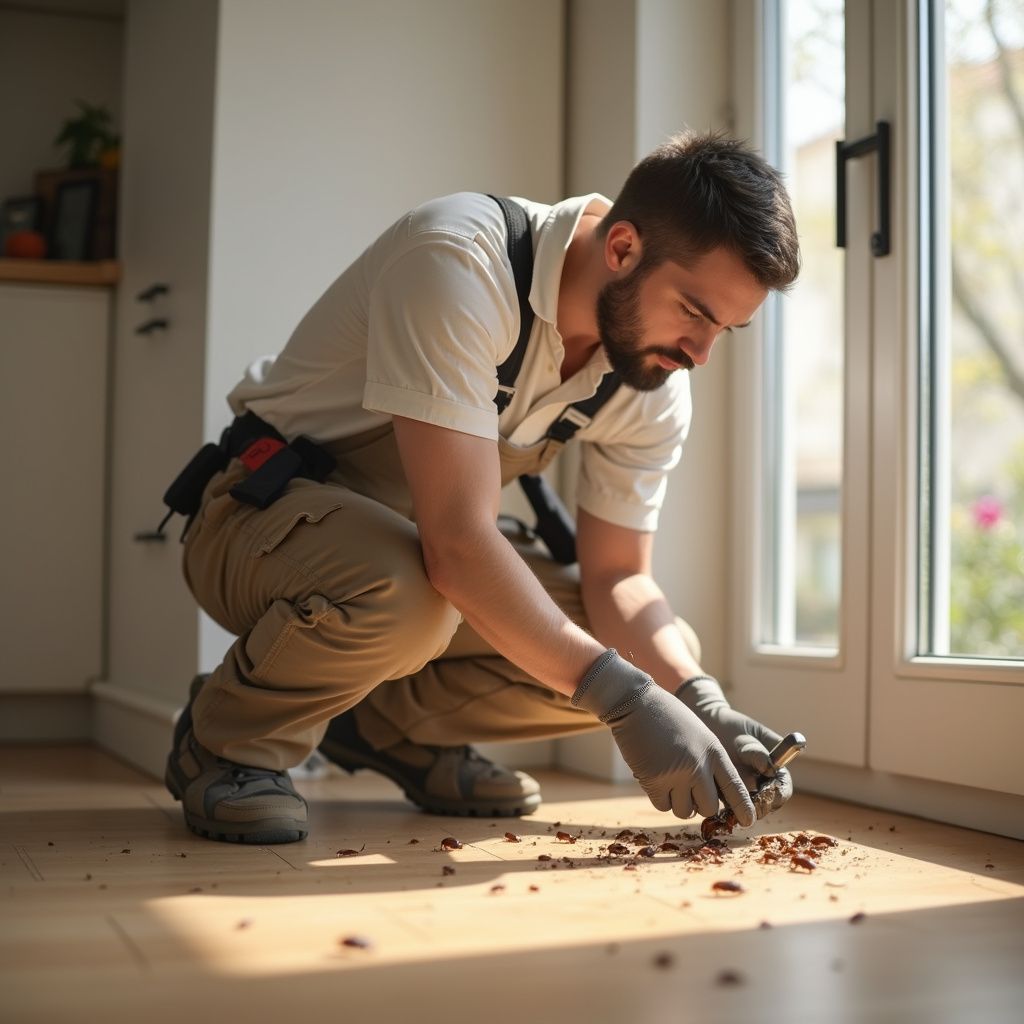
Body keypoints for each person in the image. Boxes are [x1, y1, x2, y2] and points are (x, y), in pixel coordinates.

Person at [162, 130, 801, 845]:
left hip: (416, 563)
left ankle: (376, 726)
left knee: (663, 645)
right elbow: (460, 545)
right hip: (255, 519)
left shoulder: (651, 376)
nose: (701, 354)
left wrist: (697, 699)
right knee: (413, 592)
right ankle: (227, 741)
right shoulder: (460, 260)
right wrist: (625, 701)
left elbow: (620, 576)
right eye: (694, 311)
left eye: (728, 330)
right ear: (622, 248)